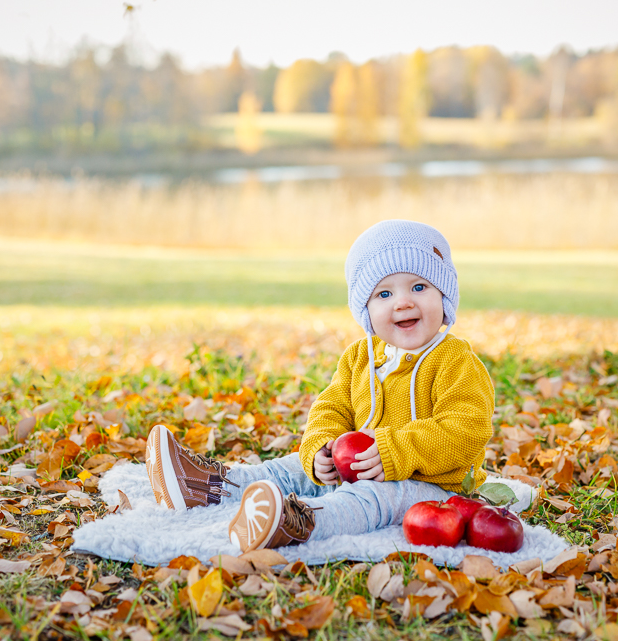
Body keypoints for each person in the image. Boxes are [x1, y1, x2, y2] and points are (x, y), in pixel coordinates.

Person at [144, 220, 495, 552]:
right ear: (366, 310)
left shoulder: (455, 360)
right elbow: (332, 406)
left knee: (371, 499)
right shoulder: (360, 357)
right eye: (383, 293)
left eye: (419, 287)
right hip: (358, 464)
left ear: (444, 296)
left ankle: (300, 520)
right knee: (290, 468)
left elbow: (468, 428)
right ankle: (209, 487)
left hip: (432, 485)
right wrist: (320, 448)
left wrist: (395, 452)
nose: (403, 302)